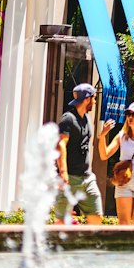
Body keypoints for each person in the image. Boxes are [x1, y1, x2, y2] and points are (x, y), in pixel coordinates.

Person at [55, 82, 103, 224]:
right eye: (94, 98)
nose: (94, 102)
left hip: (87, 178)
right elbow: (61, 144)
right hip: (70, 178)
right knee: (61, 223)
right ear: (87, 99)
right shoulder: (68, 118)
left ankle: (84, 245)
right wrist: (63, 171)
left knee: (96, 217)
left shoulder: (86, 119)